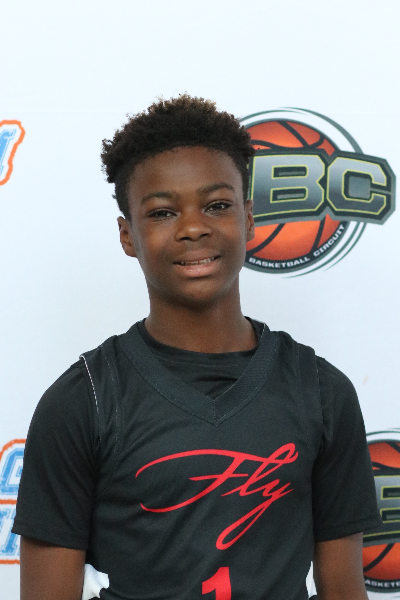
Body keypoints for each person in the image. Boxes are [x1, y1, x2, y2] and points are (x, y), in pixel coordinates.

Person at [13, 95, 381, 600]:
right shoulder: (83, 401)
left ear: (248, 218)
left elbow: (344, 590)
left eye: (217, 206)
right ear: (127, 235)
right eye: (163, 212)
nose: (193, 227)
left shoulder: (321, 391)